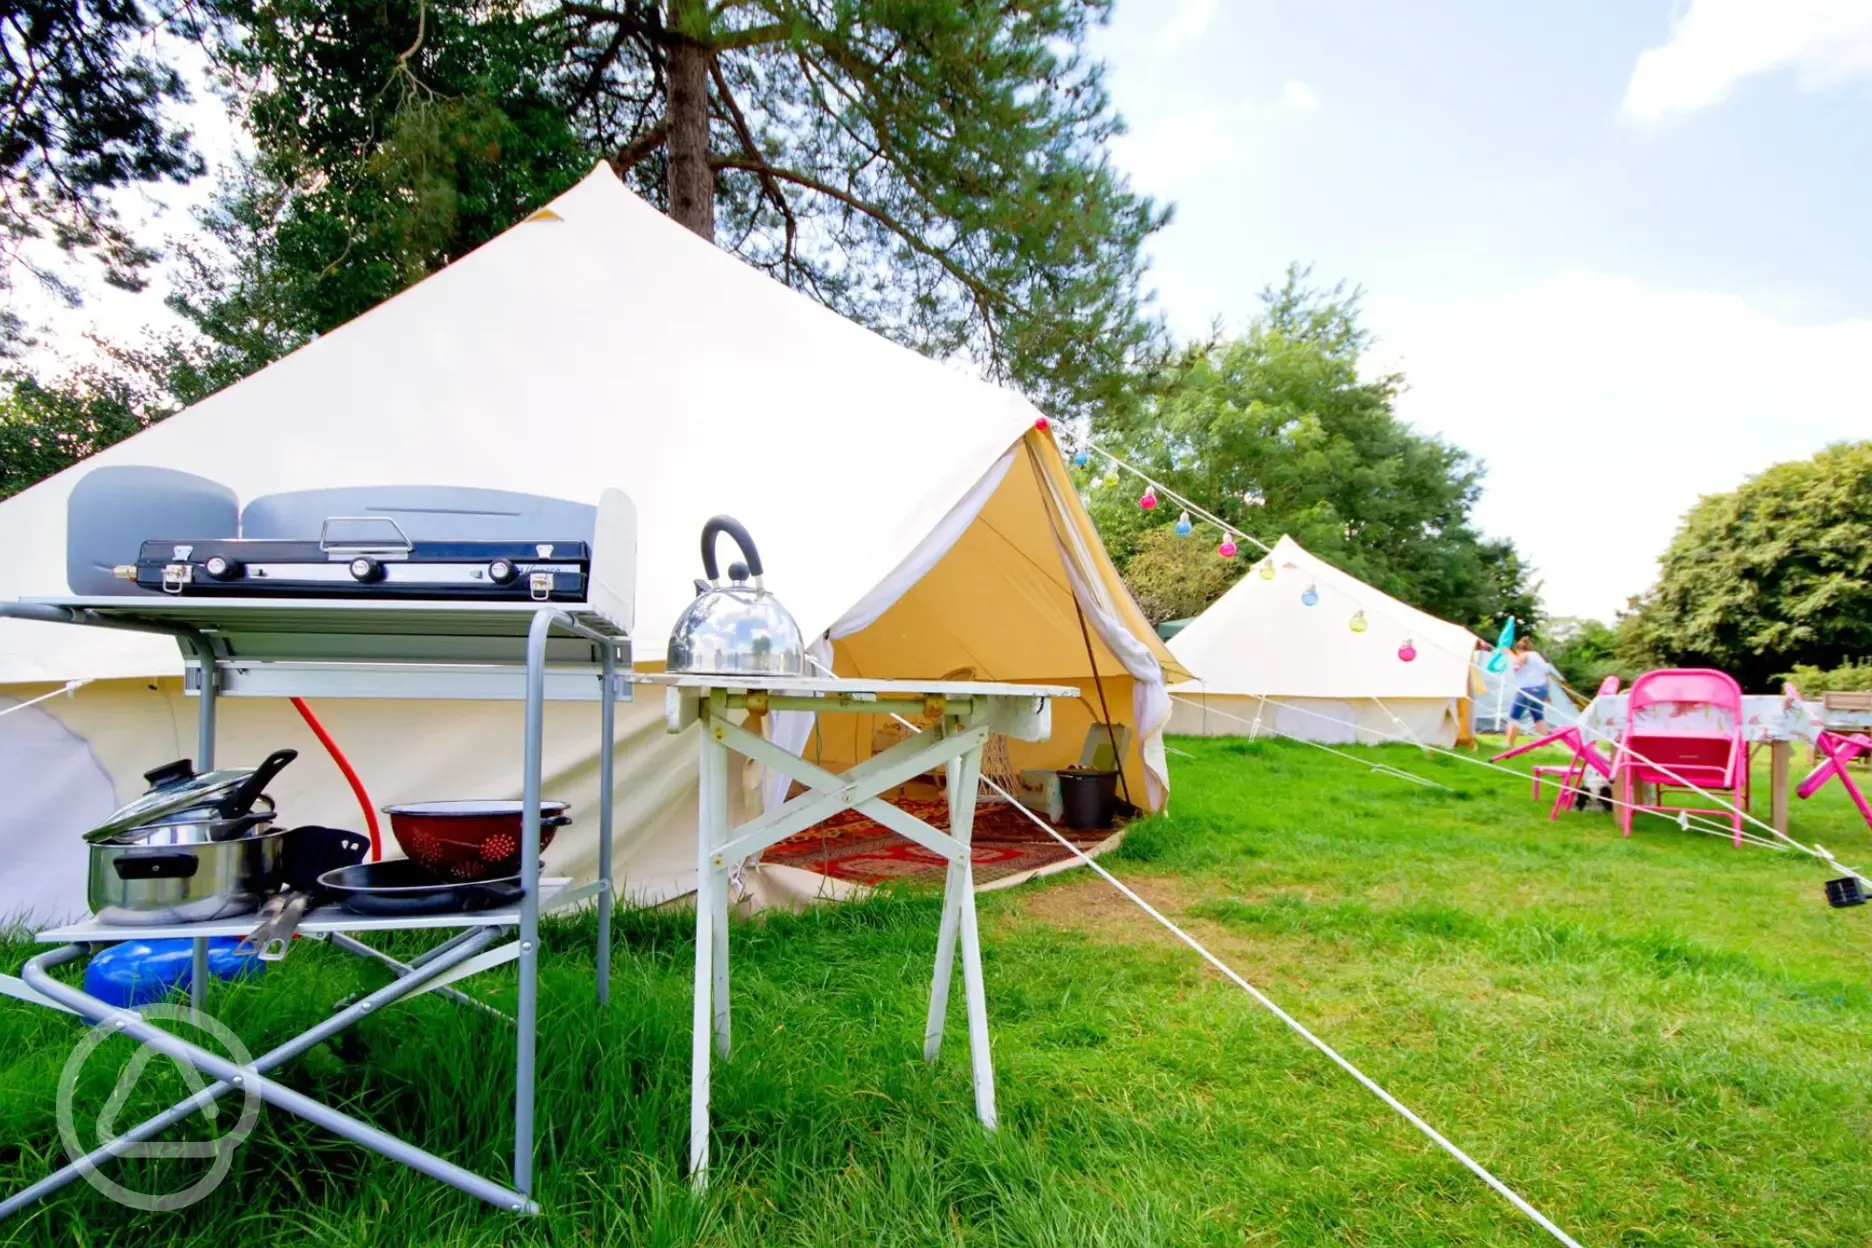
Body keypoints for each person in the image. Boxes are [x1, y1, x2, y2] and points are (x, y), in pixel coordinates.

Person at [1503, 636, 1559, 749]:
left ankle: (1509, 743)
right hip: (1541, 689)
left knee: (1514, 716)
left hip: (1527, 689)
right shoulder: (1538, 657)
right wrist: (1547, 693)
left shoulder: (1526, 655)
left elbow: (1516, 661)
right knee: (1538, 716)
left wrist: (1508, 653)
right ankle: (1543, 743)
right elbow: (1545, 675)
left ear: (1519, 649)